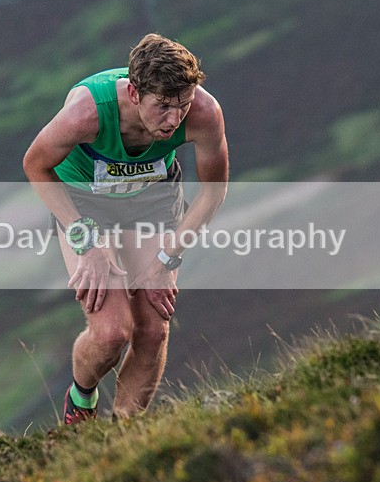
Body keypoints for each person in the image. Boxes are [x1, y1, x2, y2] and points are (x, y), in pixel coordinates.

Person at [23, 33, 229, 424]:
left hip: (151, 199)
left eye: (182, 105)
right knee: (111, 333)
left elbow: (213, 193)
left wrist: (169, 256)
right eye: (163, 106)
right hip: (85, 203)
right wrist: (86, 240)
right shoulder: (87, 113)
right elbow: (35, 165)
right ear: (134, 94)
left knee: (153, 328)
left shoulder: (203, 113)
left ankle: (124, 435)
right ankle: (81, 400)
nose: (174, 120)